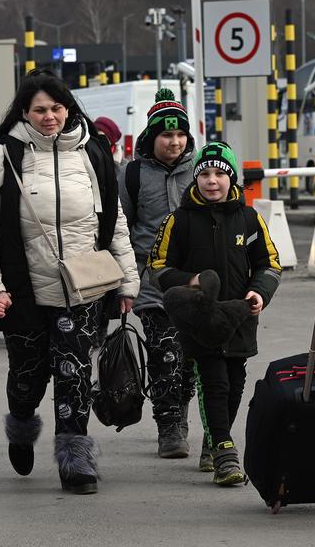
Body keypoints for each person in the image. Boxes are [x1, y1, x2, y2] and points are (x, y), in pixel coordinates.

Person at [0, 69, 139, 495]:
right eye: (40, 109)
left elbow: (114, 222)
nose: (50, 117)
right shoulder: (2, 156)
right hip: (23, 292)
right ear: (24, 112)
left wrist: (127, 283)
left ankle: (75, 457)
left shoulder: (94, 152)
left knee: (74, 373)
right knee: (27, 378)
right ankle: (22, 426)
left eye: (57, 108)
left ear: (69, 108)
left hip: (82, 290)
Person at [148, 142, 282, 486]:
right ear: (195, 179)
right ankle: (225, 452)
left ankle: (213, 439)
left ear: (231, 178)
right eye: (204, 174)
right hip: (200, 319)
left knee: (235, 382)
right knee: (214, 383)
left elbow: (270, 264)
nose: (212, 181)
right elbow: (158, 266)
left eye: (220, 174)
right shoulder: (178, 220)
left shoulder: (249, 217)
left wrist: (259, 292)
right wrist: (189, 281)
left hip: (239, 316)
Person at [118, 89, 198, 462]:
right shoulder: (132, 175)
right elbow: (121, 228)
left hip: (197, 286)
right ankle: (168, 426)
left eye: (180, 135)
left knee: (190, 360)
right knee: (164, 355)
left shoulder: (201, 172)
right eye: (167, 135)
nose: (175, 142)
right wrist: (123, 281)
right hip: (152, 287)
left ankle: (180, 412)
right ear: (152, 138)